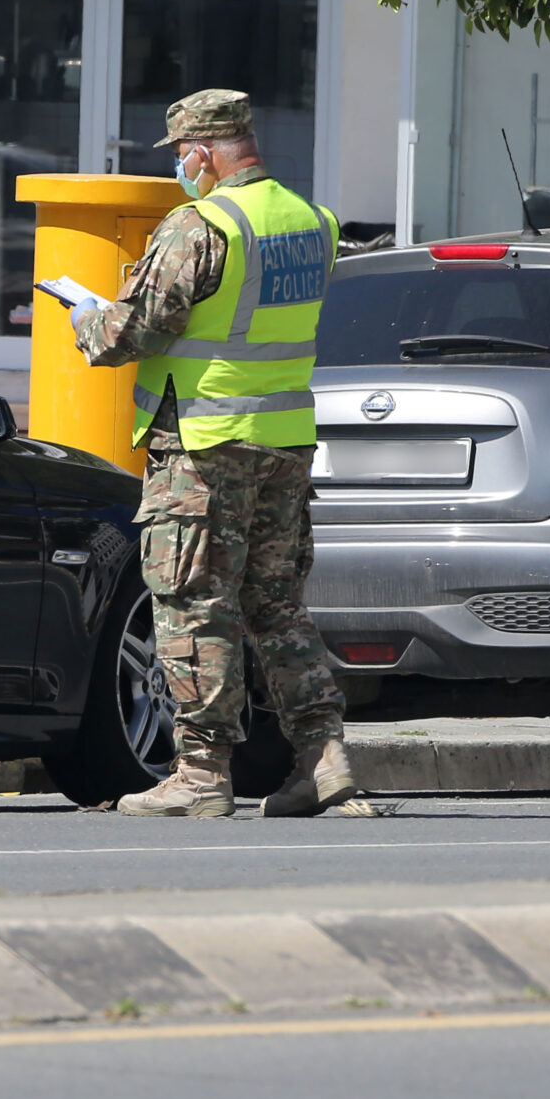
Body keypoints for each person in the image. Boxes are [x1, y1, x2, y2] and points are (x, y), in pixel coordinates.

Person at [69, 88, 358, 818]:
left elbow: (134, 329)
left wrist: (86, 320)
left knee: (194, 605)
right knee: (276, 603)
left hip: (204, 442)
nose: (179, 168)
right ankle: (324, 757)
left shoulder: (201, 225)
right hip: (285, 442)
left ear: (202, 150)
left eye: (179, 155)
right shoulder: (310, 220)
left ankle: (201, 772)